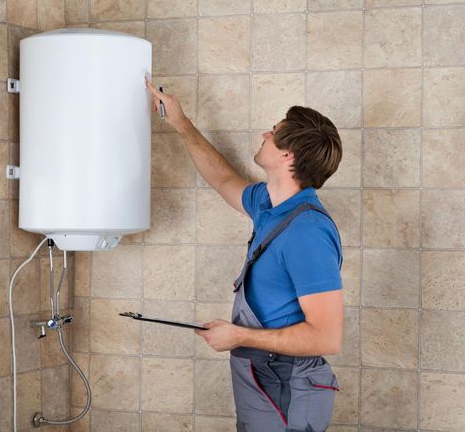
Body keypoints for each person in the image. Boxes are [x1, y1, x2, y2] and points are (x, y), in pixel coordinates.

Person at [146, 79, 344, 432]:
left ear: (288, 155)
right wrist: (179, 121)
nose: (265, 133)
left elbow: (326, 337)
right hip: (265, 377)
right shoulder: (270, 205)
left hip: (288, 385)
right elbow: (222, 178)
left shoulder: (307, 231)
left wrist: (239, 337)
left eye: (274, 132)